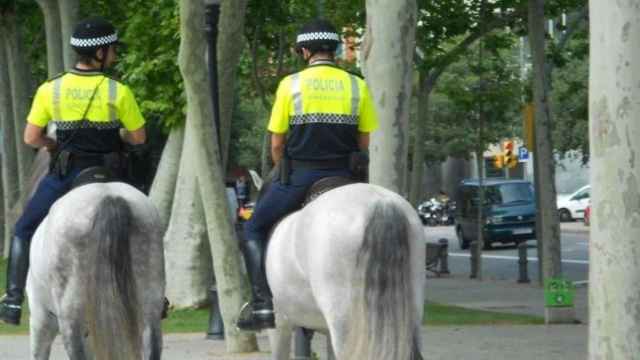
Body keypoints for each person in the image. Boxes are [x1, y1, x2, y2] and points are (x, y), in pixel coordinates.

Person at [0, 17, 146, 325]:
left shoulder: (50, 89)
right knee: (146, 227)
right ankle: (155, 297)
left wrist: (52, 144)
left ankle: (12, 299)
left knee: (23, 229)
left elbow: (30, 138)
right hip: (111, 174)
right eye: (113, 49)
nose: (115, 55)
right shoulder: (117, 90)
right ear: (100, 53)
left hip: (66, 177)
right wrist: (117, 135)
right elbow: (138, 139)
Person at [236, 19, 379, 331]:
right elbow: (364, 140)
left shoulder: (291, 84)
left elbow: (276, 142)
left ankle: (262, 304)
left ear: (304, 51)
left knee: (253, 229)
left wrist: (281, 167)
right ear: (335, 49)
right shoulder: (358, 84)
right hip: (346, 176)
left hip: (301, 175)